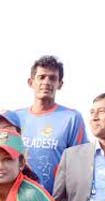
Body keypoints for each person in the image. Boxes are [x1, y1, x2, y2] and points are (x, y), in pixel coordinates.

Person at [15, 55, 87, 193]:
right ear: (31, 82)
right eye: (41, 77)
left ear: (60, 84)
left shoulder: (71, 118)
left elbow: (79, 166)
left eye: (53, 78)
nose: (47, 82)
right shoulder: (16, 117)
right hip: (17, 197)